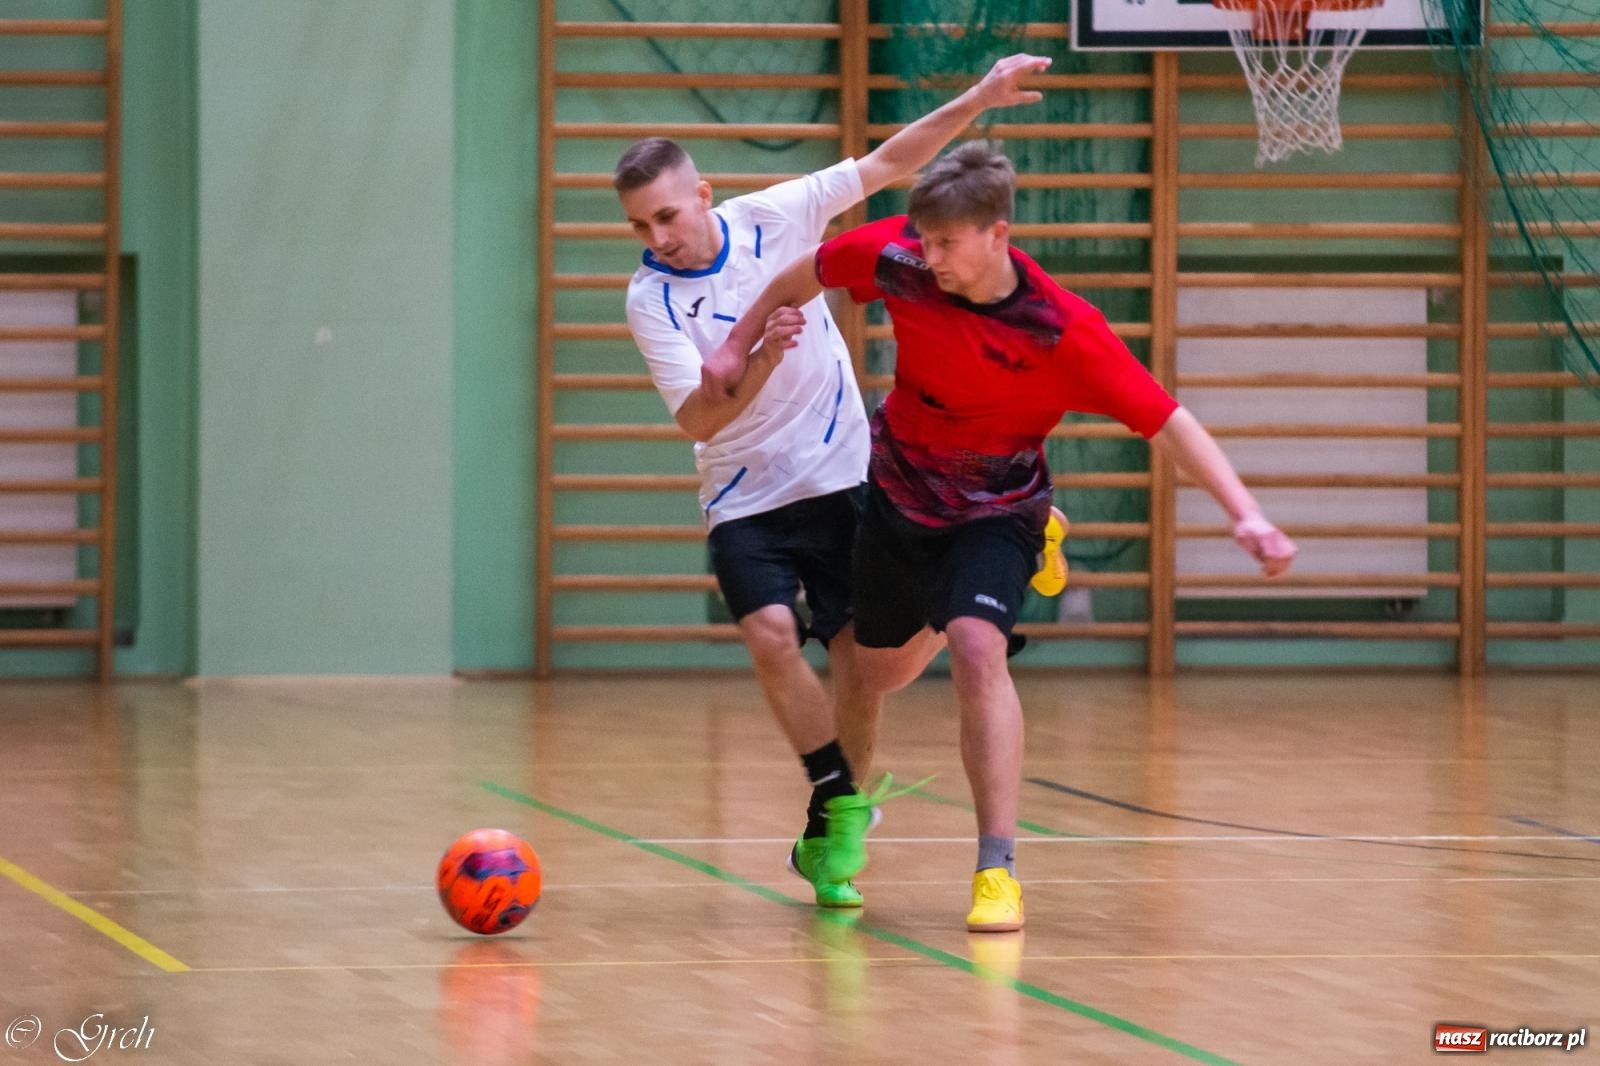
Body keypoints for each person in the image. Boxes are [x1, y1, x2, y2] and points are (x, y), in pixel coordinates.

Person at [704, 141, 1299, 931]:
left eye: (948, 243)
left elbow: (1169, 421)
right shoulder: (901, 260)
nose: (932, 257)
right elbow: (804, 271)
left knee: (980, 646)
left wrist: (1244, 511)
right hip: (898, 496)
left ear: (997, 234)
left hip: (998, 509)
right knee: (873, 676)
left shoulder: (1062, 331)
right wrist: (737, 340)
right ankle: (863, 773)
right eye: (926, 239)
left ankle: (996, 869)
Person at [615, 56, 1056, 910]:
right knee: (772, 633)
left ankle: (833, 839)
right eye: (640, 226)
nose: (658, 237)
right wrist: (762, 356)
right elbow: (700, 422)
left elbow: (890, 164)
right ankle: (837, 801)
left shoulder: (775, 216)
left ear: (703, 194)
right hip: (746, 497)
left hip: (845, 475)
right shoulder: (652, 300)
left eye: (666, 215)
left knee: (867, 670)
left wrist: (980, 97)